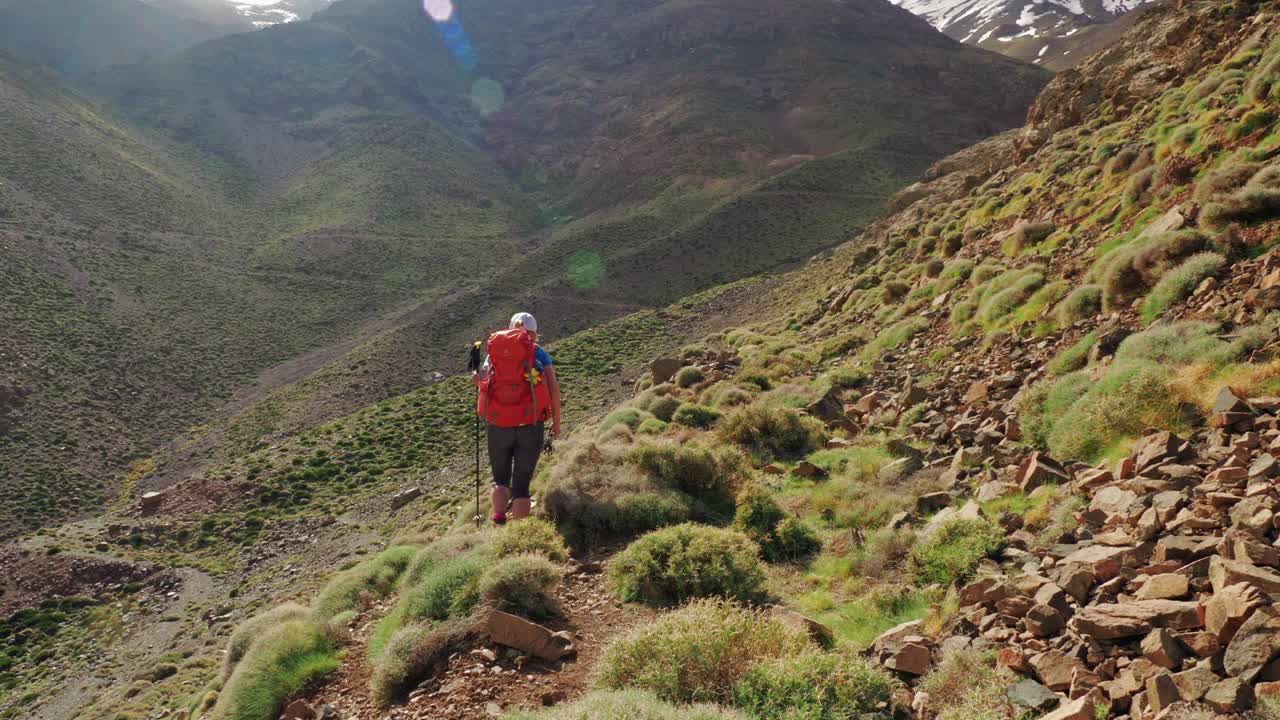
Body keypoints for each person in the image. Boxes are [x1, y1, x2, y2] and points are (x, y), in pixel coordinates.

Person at [471, 312, 561, 524]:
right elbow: (553, 389)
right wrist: (556, 422)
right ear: (535, 333)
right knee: (521, 485)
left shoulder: (495, 352)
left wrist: (475, 378)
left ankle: (499, 520)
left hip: (498, 424)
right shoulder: (539, 353)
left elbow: (481, 381)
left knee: (500, 479)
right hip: (531, 424)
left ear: (510, 330)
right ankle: (518, 532)